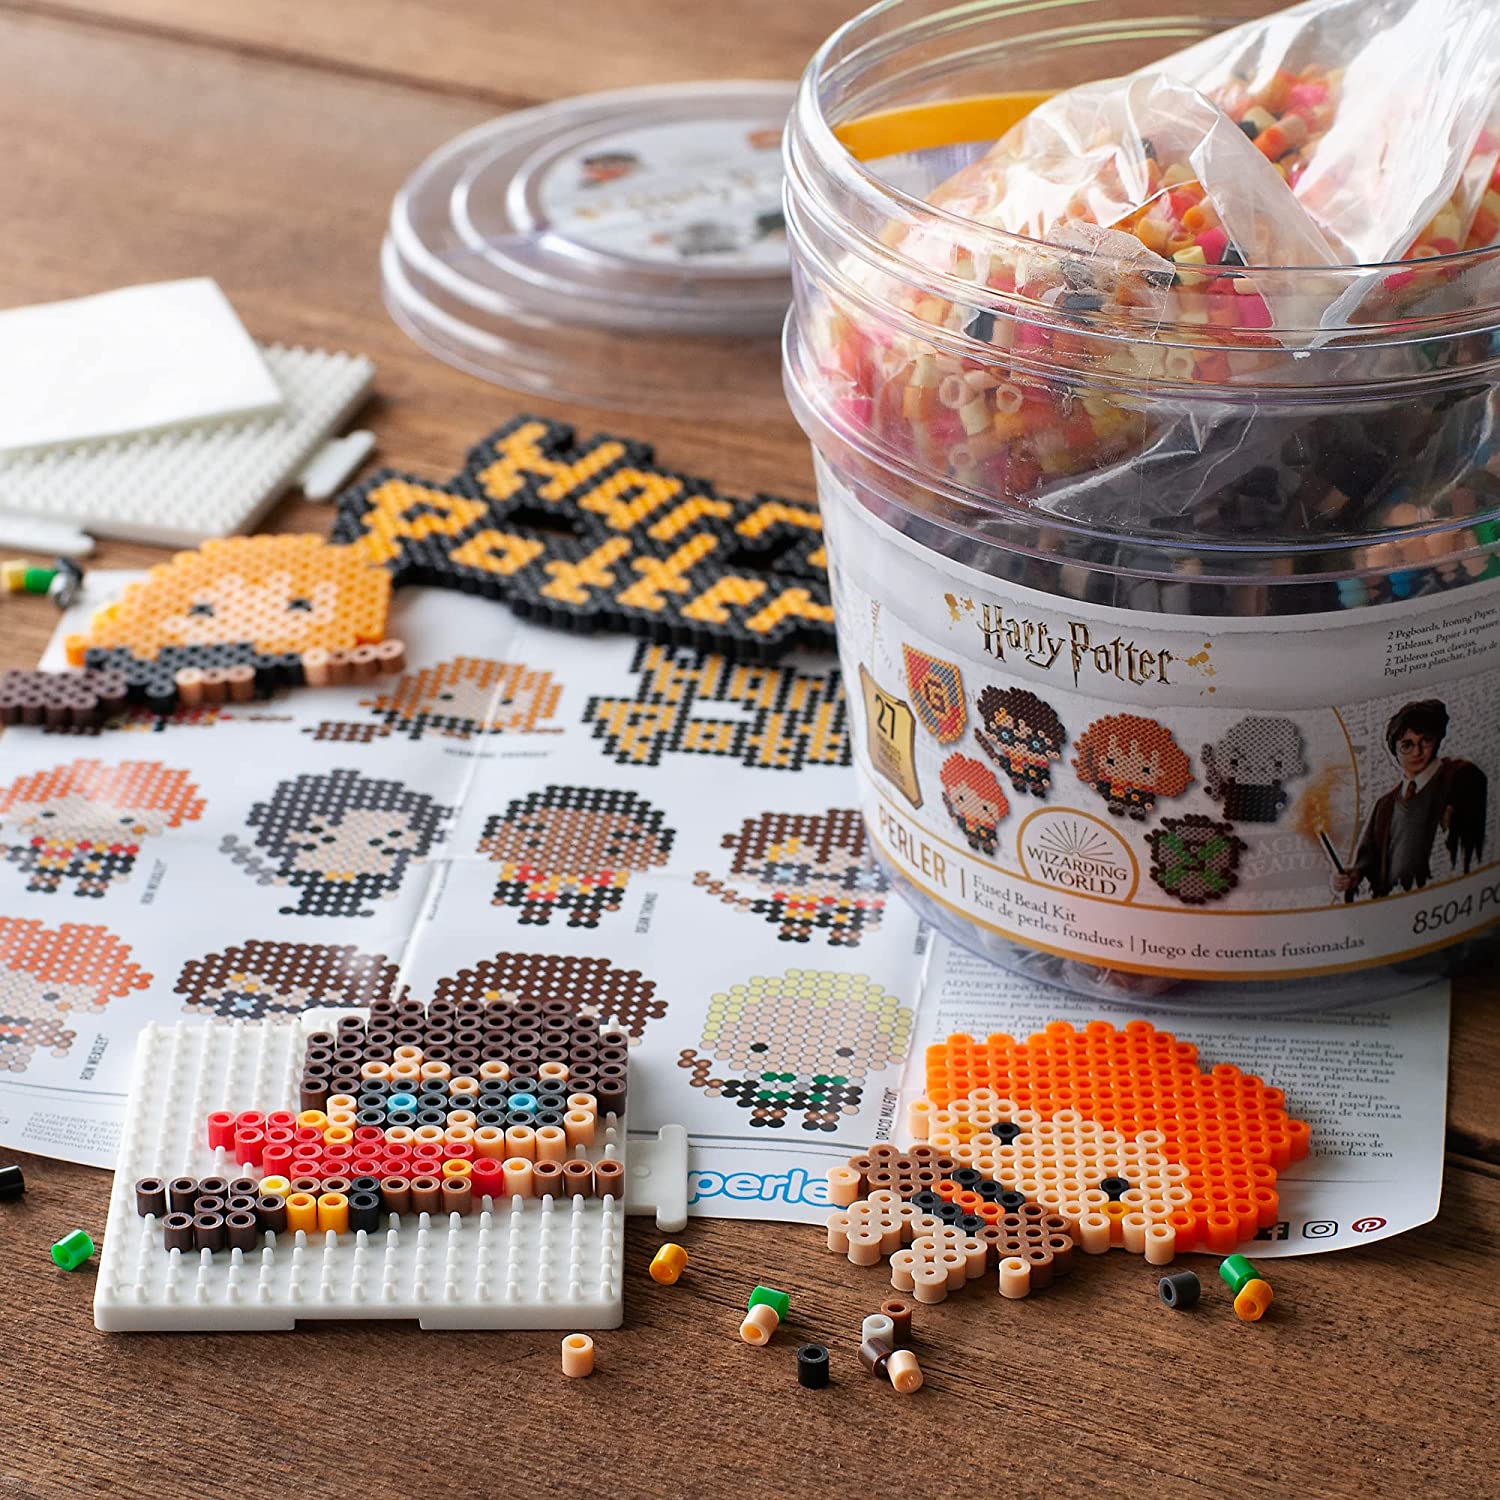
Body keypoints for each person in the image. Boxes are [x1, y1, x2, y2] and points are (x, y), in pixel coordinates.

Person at [1333, 699, 1487, 900]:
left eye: (1425, 741)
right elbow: (1367, 860)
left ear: (1437, 740)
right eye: (1407, 745)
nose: (1417, 752)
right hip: (1395, 903)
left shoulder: (1460, 778)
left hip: (1448, 896)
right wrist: (1353, 876)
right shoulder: (1384, 805)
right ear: (1394, 751)